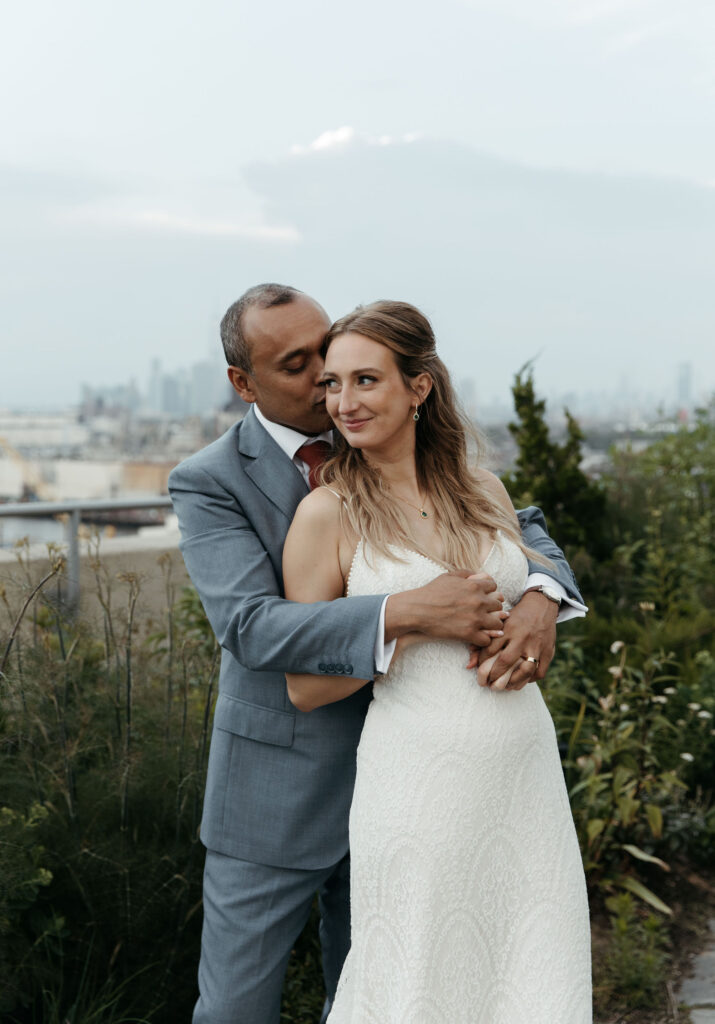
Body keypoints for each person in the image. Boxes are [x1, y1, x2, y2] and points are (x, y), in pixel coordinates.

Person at [168, 284, 586, 1024]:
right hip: (283, 785)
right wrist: (405, 613)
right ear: (243, 383)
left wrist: (542, 599)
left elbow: (524, 537)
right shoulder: (212, 480)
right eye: (304, 367)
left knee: (421, 984)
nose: (328, 381)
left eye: (338, 360)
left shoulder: (453, 469)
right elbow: (252, 627)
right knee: (237, 1007)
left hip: (457, 778)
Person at [282, 300, 592, 1023]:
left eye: (365, 380)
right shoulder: (326, 515)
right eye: (332, 384)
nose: (343, 403)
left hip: (522, 777)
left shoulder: (485, 491)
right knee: (415, 979)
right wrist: (415, 622)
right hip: (415, 784)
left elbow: (536, 569)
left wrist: (542, 599)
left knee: (533, 971)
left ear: (418, 387)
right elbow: (305, 684)